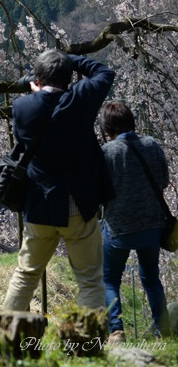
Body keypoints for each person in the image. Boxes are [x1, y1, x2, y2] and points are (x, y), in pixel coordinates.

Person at [2, 51, 115, 312]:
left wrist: (37, 92)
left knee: (26, 275)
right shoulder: (81, 99)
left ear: (38, 79)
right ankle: (90, 345)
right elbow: (104, 72)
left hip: (40, 206)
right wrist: (69, 58)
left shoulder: (22, 107)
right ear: (70, 79)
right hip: (78, 205)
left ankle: (8, 336)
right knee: (89, 280)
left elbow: (23, 135)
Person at [99, 101, 171, 342]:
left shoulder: (107, 152)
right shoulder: (151, 145)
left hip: (119, 227)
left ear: (107, 127)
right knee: (151, 277)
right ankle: (164, 328)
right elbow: (163, 181)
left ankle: (117, 331)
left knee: (109, 279)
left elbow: (99, 192)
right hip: (152, 225)